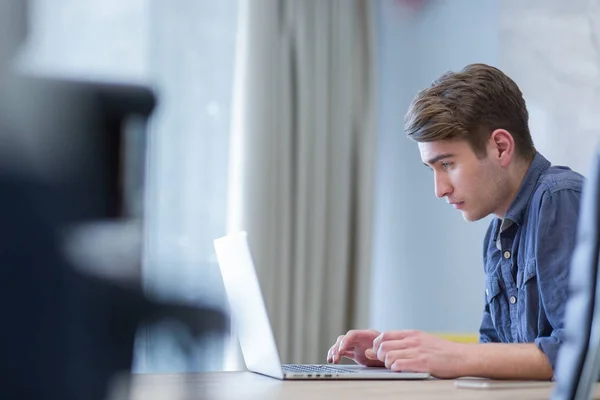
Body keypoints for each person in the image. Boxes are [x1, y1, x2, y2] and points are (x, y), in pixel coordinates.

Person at [327, 63, 584, 380]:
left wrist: (450, 355)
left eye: (447, 164)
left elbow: (581, 354)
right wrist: (408, 356)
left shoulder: (560, 199)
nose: (439, 189)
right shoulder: (497, 236)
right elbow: (494, 355)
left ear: (500, 147)